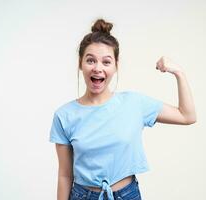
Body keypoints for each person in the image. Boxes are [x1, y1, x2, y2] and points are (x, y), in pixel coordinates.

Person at [49, 18, 197, 200]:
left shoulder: (134, 103)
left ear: (116, 66)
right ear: (80, 63)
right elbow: (65, 175)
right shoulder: (64, 115)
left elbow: (187, 116)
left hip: (127, 195)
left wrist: (178, 72)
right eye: (90, 60)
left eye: (106, 62)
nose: (97, 68)